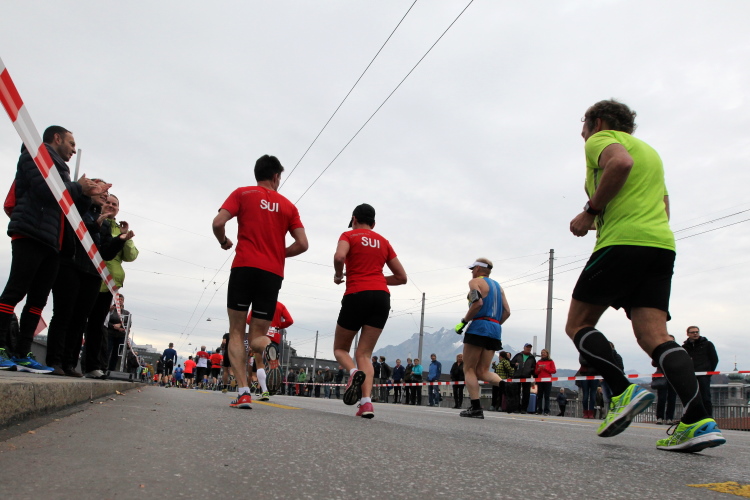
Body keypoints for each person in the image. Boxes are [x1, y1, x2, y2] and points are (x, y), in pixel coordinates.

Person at [566, 99, 724, 452]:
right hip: (660, 246)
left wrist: (591, 211)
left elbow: (620, 163)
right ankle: (698, 421)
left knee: (577, 324)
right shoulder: (652, 154)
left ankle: (623, 391)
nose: (583, 136)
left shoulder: (602, 139)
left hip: (622, 243)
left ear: (598, 122)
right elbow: (664, 207)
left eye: (583, 128)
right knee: (655, 336)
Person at [0, 126, 107, 373]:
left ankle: (22, 353)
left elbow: (69, 209)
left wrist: (86, 194)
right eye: (71, 143)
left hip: (52, 241)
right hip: (31, 233)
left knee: (38, 300)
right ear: (57, 138)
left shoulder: (62, 170)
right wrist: (78, 187)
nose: (73, 150)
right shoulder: (35, 155)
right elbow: (47, 192)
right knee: (15, 292)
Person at [213, 154, 308, 409]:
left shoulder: (242, 194)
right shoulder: (289, 206)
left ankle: (244, 392)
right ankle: (268, 347)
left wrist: (224, 241)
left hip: (244, 267)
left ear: (258, 174)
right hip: (272, 273)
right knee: (258, 336)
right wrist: (278, 253)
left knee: (236, 331)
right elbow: (302, 244)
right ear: (276, 176)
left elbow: (218, 222)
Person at [48, 179, 130, 379]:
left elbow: (105, 253)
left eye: (107, 193)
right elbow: (75, 234)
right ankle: (55, 361)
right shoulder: (77, 209)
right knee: (64, 315)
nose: (104, 195)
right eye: (101, 191)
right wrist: (95, 225)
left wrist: (120, 239)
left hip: (93, 273)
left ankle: (69, 363)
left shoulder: (106, 223)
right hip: (71, 267)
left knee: (79, 319)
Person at [333, 203, 407, 418]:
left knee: (340, 349)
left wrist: (338, 275)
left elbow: (339, 257)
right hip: (381, 297)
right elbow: (402, 277)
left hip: (356, 294)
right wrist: (377, 278)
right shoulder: (384, 242)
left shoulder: (348, 235)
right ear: (373, 224)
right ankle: (366, 404)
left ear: (354, 219)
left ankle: (353, 372)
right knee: (365, 353)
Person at [454, 258, 511, 419]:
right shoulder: (499, 287)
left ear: (478, 269)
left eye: (473, 269)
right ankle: (506, 387)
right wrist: (494, 324)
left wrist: (464, 322)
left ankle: (476, 408)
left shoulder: (475, 282)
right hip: (495, 329)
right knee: (483, 371)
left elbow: (477, 303)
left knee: (469, 369)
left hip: (479, 326)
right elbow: (507, 312)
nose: (472, 271)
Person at [90, 192, 138, 376]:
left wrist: (126, 237)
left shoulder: (118, 229)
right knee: (85, 320)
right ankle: (76, 362)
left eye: (115, 204)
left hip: (110, 281)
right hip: (92, 274)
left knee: (98, 324)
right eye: (108, 202)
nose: (111, 206)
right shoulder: (93, 219)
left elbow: (131, 256)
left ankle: (95, 366)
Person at [683, 326, 718, 417]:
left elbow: (714, 359)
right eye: (693, 332)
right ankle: (694, 418)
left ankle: (708, 417)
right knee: (692, 398)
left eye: (697, 332)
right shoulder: (684, 347)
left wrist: (708, 373)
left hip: (704, 375)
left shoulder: (707, 344)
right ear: (688, 334)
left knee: (705, 398)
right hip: (690, 376)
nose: (695, 333)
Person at [105, 295, 130, 372]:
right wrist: (113, 326)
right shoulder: (111, 311)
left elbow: (128, 324)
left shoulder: (126, 313)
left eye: (122, 300)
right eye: (119, 299)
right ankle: (104, 367)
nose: (120, 301)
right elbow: (106, 321)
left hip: (120, 336)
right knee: (107, 351)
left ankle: (112, 369)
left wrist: (120, 325)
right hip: (110, 333)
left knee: (116, 353)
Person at [511, 343, 536, 414]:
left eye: (529, 347)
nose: (528, 348)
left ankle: (524, 409)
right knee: (516, 393)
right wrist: (515, 364)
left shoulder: (532, 357)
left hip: (527, 377)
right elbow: (511, 363)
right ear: (524, 347)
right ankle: (516, 408)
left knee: (526, 393)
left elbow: (534, 367)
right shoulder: (518, 355)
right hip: (517, 376)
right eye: (527, 347)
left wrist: (530, 371)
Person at [535, 349, 556, 415]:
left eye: (544, 353)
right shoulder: (538, 362)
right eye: (542, 353)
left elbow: (554, 371)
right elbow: (536, 372)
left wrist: (546, 368)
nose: (543, 354)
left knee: (547, 396)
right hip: (540, 380)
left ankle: (546, 410)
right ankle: (539, 410)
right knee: (539, 396)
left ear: (547, 354)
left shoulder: (551, 361)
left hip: (547, 381)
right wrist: (538, 370)